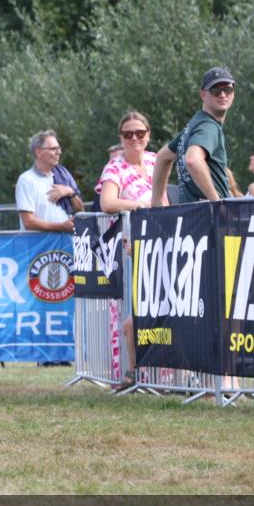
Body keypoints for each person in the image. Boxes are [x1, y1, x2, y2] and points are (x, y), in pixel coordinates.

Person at [95, 111, 168, 390]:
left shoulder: (155, 160)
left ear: (148, 135)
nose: (134, 138)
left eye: (140, 133)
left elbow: (166, 199)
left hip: (162, 243)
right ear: (121, 138)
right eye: (128, 134)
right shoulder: (115, 167)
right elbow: (108, 203)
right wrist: (140, 207)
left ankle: (162, 373)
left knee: (163, 307)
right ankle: (133, 371)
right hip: (132, 248)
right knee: (134, 311)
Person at [152, 67, 236, 206]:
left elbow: (162, 157)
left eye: (227, 89)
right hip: (209, 217)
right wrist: (216, 202)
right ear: (203, 95)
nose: (222, 95)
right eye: (215, 90)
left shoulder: (193, 125)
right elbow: (193, 160)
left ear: (233, 93)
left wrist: (156, 205)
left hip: (192, 216)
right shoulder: (208, 126)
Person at [16, 130, 83, 233]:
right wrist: (62, 227)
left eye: (59, 148)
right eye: (53, 149)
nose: (59, 152)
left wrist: (70, 192)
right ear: (39, 152)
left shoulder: (64, 176)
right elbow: (28, 222)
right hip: (40, 247)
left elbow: (81, 211)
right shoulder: (26, 180)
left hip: (64, 246)